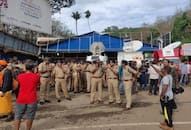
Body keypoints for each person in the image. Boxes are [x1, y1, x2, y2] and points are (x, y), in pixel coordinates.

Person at [14, 60, 40, 130]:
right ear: (32, 68)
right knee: (30, 116)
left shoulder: (20, 76)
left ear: (25, 68)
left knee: (18, 116)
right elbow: (38, 85)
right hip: (31, 99)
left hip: (21, 98)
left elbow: (16, 86)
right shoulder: (36, 76)